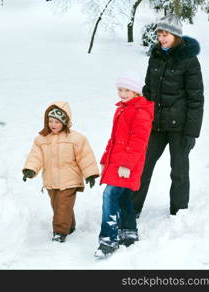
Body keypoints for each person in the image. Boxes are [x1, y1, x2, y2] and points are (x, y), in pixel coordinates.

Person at [131, 15, 204, 218]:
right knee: (142, 166)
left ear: (176, 36)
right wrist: (142, 117)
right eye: (159, 34)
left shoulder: (189, 60)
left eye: (166, 34)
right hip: (156, 124)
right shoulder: (155, 56)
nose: (162, 39)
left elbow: (196, 98)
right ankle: (132, 208)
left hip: (180, 127)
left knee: (179, 170)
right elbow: (148, 90)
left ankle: (178, 212)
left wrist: (192, 133)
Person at [22, 101, 99, 243]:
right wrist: (30, 169)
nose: (53, 124)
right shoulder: (42, 139)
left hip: (69, 180)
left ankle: (59, 232)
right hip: (51, 181)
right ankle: (70, 226)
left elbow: (85, 156)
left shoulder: (76, 138)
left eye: (57, 121)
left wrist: (90, 174)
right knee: (58, 205)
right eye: (50, 121)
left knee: (62, 206)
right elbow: (36, 156)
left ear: (65, 121)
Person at [94, 75, 154, 258]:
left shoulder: (140, 111)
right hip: (117, 162)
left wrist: (127, 164)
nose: (122, 93)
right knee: (123, 197)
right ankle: (128, 231)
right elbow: (114, 139)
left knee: (109, 195)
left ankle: (108, 239)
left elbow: (139, 141)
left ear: (136, 91)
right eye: (120, 89)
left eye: (127, 90)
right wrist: (105, 159)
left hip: (128, 164)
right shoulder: (122, 109)